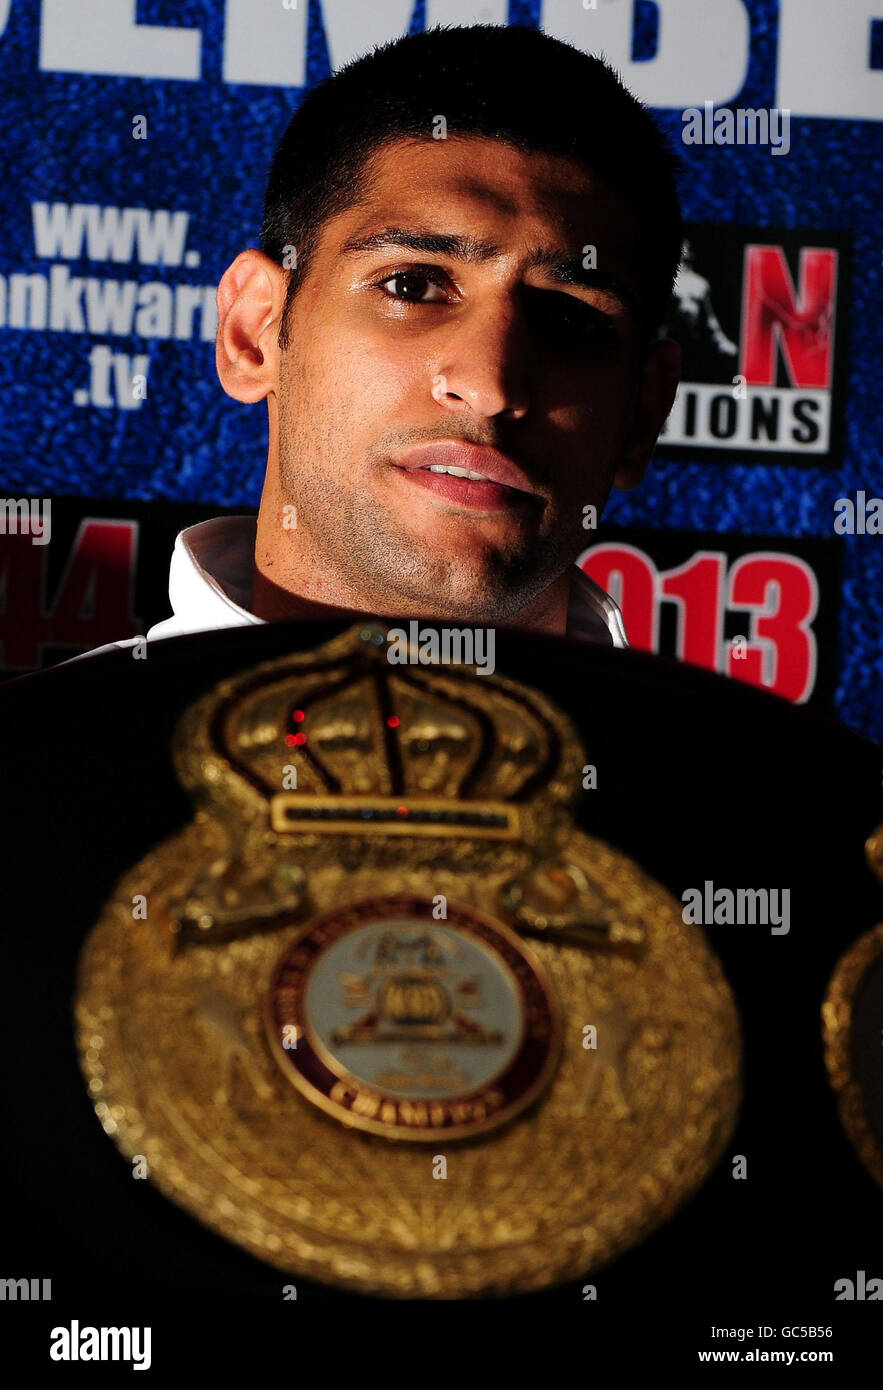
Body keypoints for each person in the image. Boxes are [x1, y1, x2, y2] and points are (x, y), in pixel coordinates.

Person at [120, 23, 684, 654]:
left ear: (643, 411)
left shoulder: (742, 757)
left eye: (572, 319)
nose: (489, 385)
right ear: (255, 334)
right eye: (412, 287)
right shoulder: (37, 747)